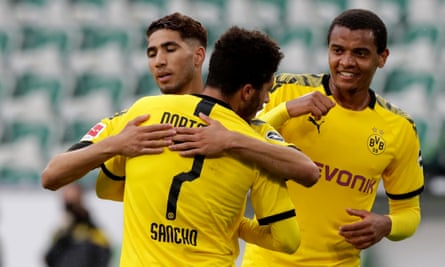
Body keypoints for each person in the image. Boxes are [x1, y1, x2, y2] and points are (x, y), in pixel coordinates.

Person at [41, 13, 319, 197]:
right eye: (152, 53)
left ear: (198, 56)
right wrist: (115, 145)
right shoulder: (135, 120)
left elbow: (307, 171)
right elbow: (51, 176)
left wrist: (230, 141)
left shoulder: (237, 124)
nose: (158, 61)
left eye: (169, 49)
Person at [99, 26, 306, 266]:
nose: (268, 99)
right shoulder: (255, 144)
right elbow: (287, 240)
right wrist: (234, 223)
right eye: (267, 90)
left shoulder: (146, 111)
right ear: (248, 91)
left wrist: (150, 199)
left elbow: (104, 189)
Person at [237, 9, 424, 267]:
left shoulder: (400, 128)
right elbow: (238, 141)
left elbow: (410, 212)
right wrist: (287, 111)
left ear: (382, 57)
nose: (346, 62)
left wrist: (387, 224)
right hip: (267, 261)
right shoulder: (286, 90)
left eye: (360, 53)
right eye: (338, 50)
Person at [44, 183, 111, 267]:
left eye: (73, 201)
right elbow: (49, 259)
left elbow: (104, 257)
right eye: (67, 202)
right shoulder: (60, 233)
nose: (70, 206)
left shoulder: (95, 232)